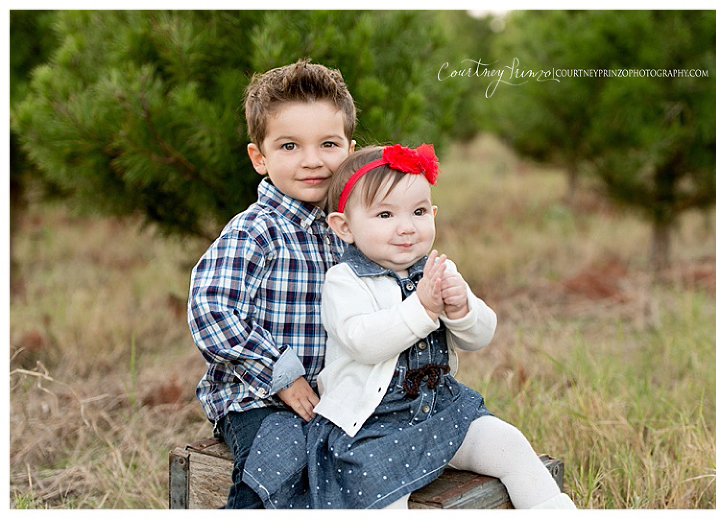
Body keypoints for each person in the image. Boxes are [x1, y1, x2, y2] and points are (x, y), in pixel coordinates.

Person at [242, 144, 577, 509]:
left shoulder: (436, 270)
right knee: (382, 497)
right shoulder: (345, 281)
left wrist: (462, 307)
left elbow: (478, 337)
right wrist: (422, 308)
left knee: (509, 445)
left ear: (433, 214)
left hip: (442, 409)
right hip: (370, 428)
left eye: (418, 212)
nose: (405, 228)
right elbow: (363, 341)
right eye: (384, 215)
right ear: (344, 227)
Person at [187, 59, 356, 508]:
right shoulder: (256, 231)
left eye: (328, 144)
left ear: (350, 149)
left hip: (327, 397)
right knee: (282, 458)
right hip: (255, 396)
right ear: (259, 158)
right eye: (289, 146)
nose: (312, 160)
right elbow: (211, 311)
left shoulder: (345, 230)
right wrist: (281, 373)